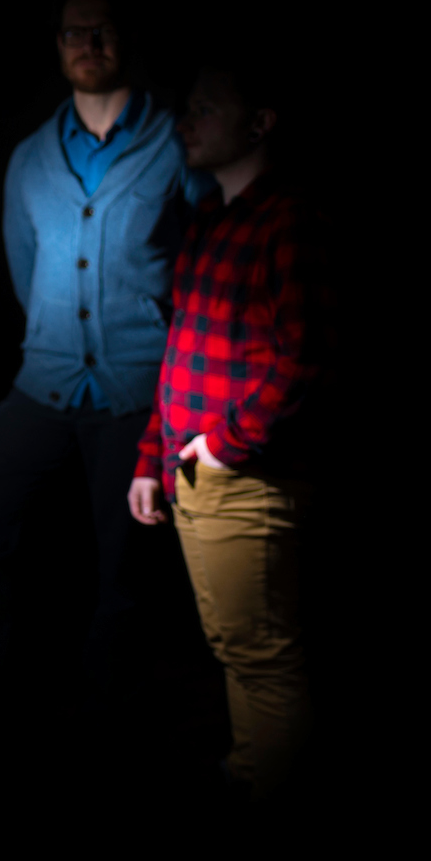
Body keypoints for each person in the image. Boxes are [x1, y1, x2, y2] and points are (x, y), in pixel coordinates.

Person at [0, 0, 211, 723]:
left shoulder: (176, 142)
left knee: (125, 567)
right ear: (58, 44)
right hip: (46, 381)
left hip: (139, 394)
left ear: (126, 38)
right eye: (73, 32)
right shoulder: (33, 156)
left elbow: (208, 255)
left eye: (102, 30)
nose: (86, 43)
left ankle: (110, 717)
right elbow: (26, 271)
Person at [128, 58, 326, 803]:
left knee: (260, 652)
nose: (187, 120)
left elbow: (306, 360)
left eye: (207, 108)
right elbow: (181, 350)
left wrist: (218, 448)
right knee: (236, 648)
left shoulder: (291, 220)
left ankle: (267, 791)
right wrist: (153, 457)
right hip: (195, 472)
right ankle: (252, 772)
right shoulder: (212, 219)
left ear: (260, 122)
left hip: (243, 478)